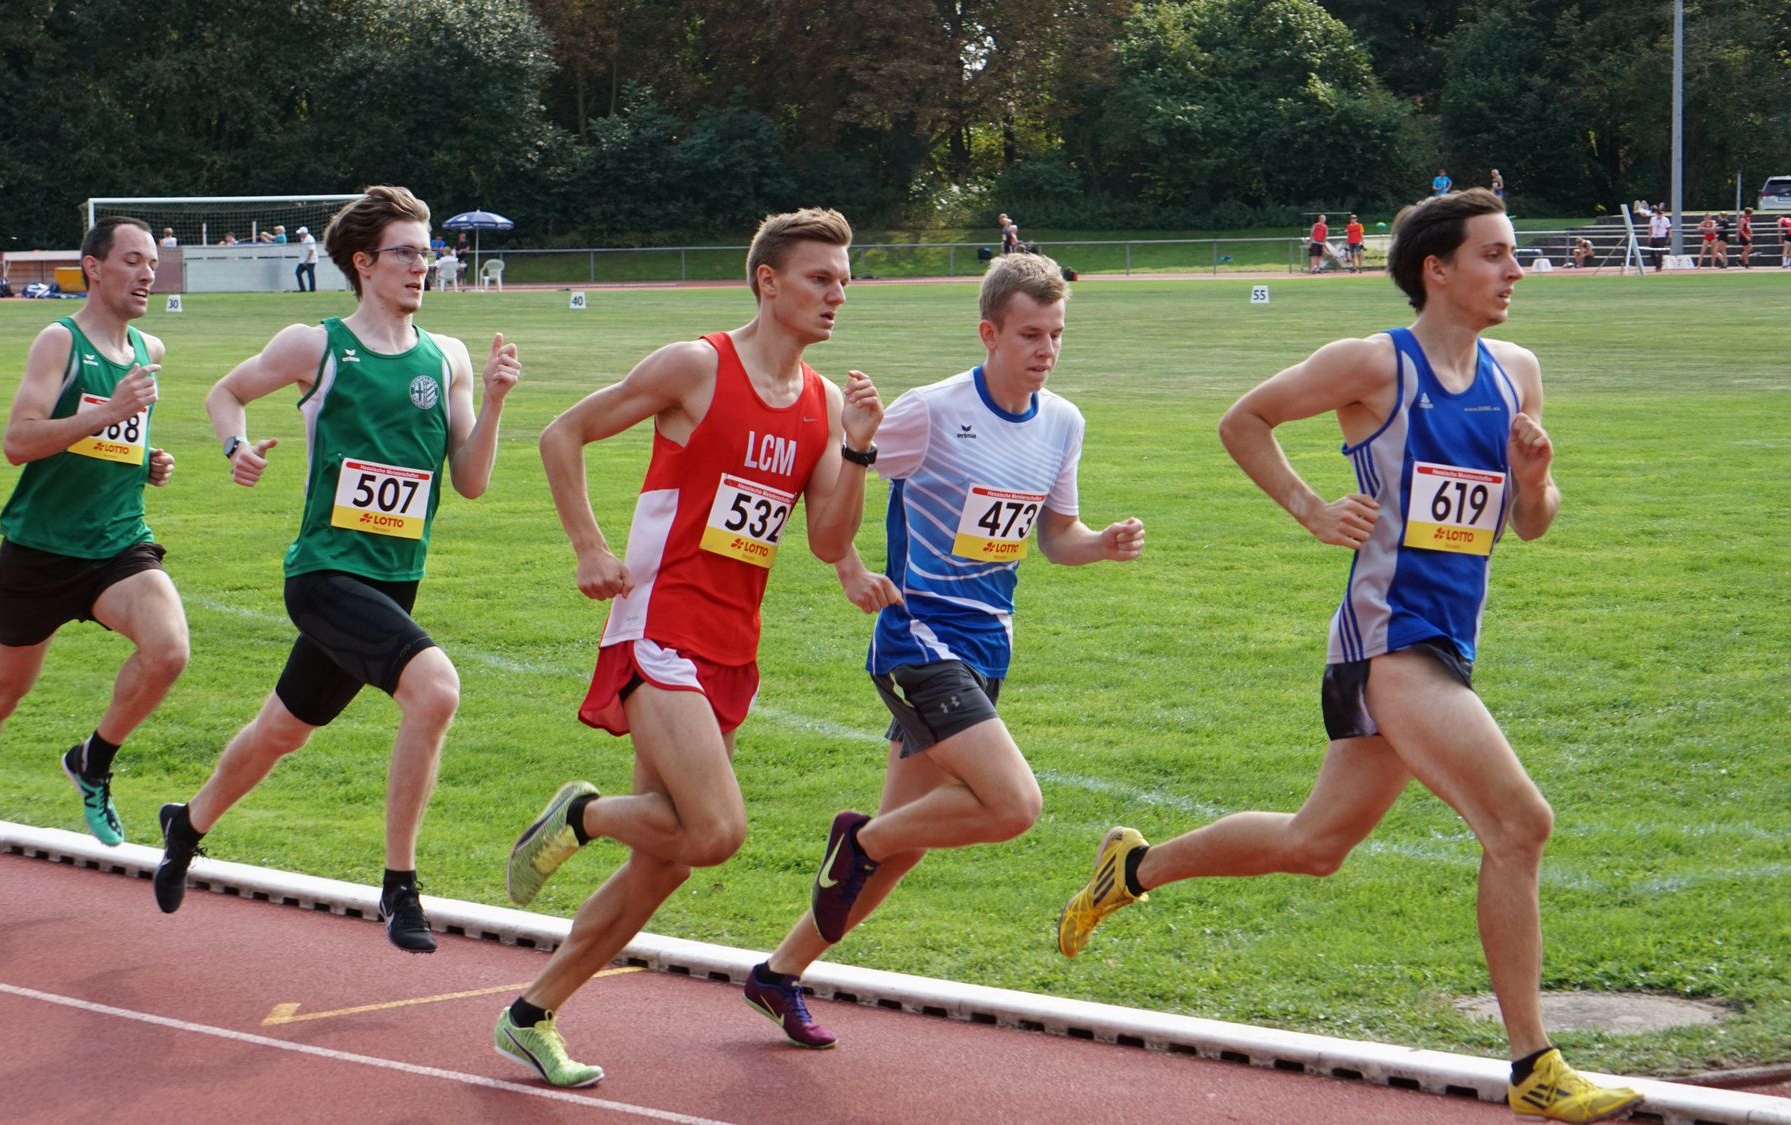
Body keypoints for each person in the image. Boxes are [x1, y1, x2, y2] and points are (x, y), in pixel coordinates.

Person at [1052, 188, 1644, 1123]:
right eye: (1494, 254)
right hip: (1388, 640)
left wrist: (1535, 482)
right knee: (1520, 824)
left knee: (1315, 844)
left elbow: (1530, 523)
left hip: (1448, 637)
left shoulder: (1517, 373)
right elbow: (1245, 419)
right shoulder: (1374, 364)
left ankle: (1132, 868)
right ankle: (1536, 1065)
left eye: (1513, 254)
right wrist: (1311, 508)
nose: (1515, 271)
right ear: (1437, 269)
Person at [493, 207, 883, 1087]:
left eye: (845, 280)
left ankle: (530, 1014)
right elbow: (561, 433)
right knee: (714, 831)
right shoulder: (696, 366)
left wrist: (857, 449)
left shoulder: (824, 404)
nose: (837, 294)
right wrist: (590, 547)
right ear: (768, 281)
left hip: (732, 644)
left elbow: (827, 539)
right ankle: (582, 815)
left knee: (663, 863)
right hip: (659, 621)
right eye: (820, 277)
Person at [742, 252, 1144, 1050]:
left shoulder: (1063, 422)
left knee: (905, 843)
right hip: (917, 639)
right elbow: (834, 482)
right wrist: (852, 543)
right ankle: (855, 839)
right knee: (1013, 804)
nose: (1046, 349)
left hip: (988, 648)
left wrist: (1100, 543)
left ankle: (777, 974)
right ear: (989, 333)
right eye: (1029, 334)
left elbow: (1056, 536)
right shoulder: (930, 411)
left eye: (1056, 334)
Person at [151, 186, 520, 955]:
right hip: (323, 573)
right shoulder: (314, 346)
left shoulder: (447, 356)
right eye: (406, 252)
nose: (422, 265)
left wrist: (493, 402)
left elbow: (472, 480)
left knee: (281, 731)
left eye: (427, 252)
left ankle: (187, 823)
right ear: (364, 262)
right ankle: (400, 884)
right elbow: (226, 392)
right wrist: (235, 446)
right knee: (436, 688)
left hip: (394, 579)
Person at [0, 217, 186, 893]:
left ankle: (92, 762)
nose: (147, 274)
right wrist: (108, 415)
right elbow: (19, 441)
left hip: (117, 543)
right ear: (93, 268)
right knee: (0, 698)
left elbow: (114, 440)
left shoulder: (150, 348)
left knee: (169, 651)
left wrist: (145, 461)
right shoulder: (59, 341)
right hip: (41, 551)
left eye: (152, 262)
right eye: (132, 260)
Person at [294, 225, 318, 292]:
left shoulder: (309, 239)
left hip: (310, 260)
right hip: (303, 260)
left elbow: (311, 250)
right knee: (298, 272)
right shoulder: (303, 239)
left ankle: (312, 289)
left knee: (310, 274)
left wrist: (307, 260)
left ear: (304, 233)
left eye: (300, 233)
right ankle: (302, 289)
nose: (299, 235)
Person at [1647, 207, 1671, 271]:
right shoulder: (1653, 219)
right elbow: (1650, 228)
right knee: (1651, 252)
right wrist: (1649, 237)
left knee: (1660, 253)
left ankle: (1658, 267)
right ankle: (1656, 264)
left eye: (1660, 214)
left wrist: (1668, 238)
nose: (1659, 215)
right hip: (1654, 237)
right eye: (1658, 214)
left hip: (1661, 237)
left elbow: (1668, 229)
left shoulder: (1666, 220)